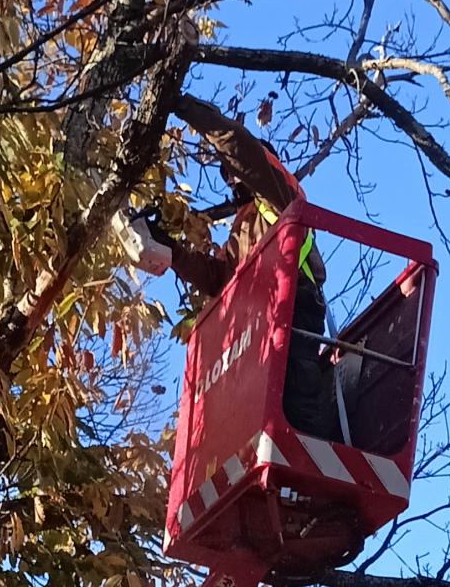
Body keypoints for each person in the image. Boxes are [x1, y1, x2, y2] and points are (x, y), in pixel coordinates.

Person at [118, 97, 344, 443]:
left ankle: (313, 460)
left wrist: (186, 107)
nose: (230, 180)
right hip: (259, 318)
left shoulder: (279, 196)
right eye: (226, 175)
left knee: (299, 402)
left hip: (295, 305)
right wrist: (171, 250)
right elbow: (218, 278)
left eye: (232, 171)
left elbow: (241, 150)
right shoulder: (242, 226)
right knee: (263, 406)